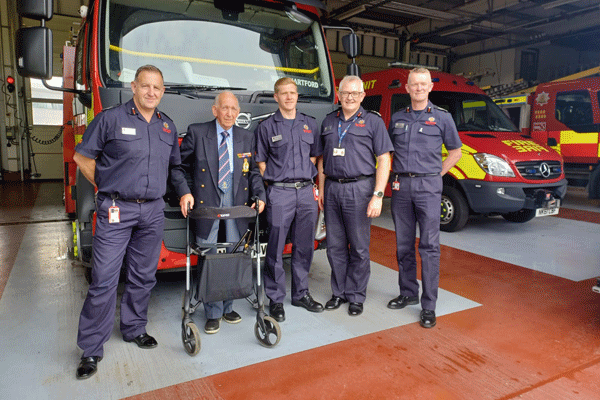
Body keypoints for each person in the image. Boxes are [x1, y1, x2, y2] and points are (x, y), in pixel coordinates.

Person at [73, 65, 180, 379]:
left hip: (152, 211)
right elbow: (82, 157)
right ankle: (91, 349)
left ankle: (134, 328)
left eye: (157, 88)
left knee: (143, 276)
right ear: (134, 87)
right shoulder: (110, 119)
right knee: (104, 279)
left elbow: (174, 168)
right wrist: (106, 186)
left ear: (163, 91)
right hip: (116, 210)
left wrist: (185, 193)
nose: (151, 92)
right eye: (145, 86)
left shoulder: (167, 127)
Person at [171, 91, 265, 334]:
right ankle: (212, 312)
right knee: (210, 255)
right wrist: (185, 192)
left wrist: (260, 195)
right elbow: (178, 167)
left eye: (234, 109)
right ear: (215, 110)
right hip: (207, 203)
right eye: (225, 108)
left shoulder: (246, 136)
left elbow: (253, 172)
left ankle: (228, 307)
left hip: (238, 203)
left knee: (234, 255)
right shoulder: (198, 132)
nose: (230, 113)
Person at [386, 67, 462, 328]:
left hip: (429, 187)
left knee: (429, 247)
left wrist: (436, 174)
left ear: (430, 87)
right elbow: (386, 153)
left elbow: (456, 151)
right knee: (403, 245)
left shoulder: (442, 118)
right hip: (401, 186)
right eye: (413, 84)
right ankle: (408, 293)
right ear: (406, 88)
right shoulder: (397, 118)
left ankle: (428, 305)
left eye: (423, 84)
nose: (418, 88)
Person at [317, 75, 393, 316]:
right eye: (345, 93)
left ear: (362, 96)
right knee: (335, 246)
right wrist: (320, 189)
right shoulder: (329, 121)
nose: (349, 97)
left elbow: (384, 159)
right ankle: (338, 293)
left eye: (354, 93)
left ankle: (356, 295)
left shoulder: (373, 122)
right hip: (331, 189)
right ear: (338, 95)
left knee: (359, 247)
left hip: (360, 189)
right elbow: (321, 160)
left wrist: (378, 195)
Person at [255, 77, 323, 322]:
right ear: (276, 97)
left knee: (304, 246)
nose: (289, 97)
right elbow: (260, 163)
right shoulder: (266, 127)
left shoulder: (309, 124)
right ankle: (275, 299)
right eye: (283, 93)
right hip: (279, 193)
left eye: (292, 92)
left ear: (297, 95)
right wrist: (276, 183)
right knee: (274, 248)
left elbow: (315, 157)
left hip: (305, 192)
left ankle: (301, 294)